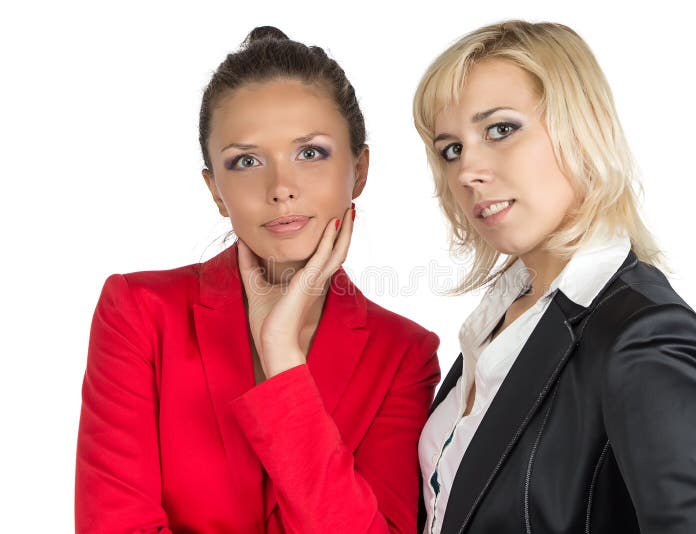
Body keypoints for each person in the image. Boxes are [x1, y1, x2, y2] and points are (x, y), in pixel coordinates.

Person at [75, 26, 440, 533]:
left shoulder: (404, 354)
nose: (280, 188)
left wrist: (283, 360)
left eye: (310, 152)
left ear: (359, 170)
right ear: (216, 191)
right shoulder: (138, 313)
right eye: (246, 161)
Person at [412, 20, 696, 534]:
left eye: (500, 129)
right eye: (452, 149)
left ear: (582, 127)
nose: (468, 170)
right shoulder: (504, 316)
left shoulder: (644, 337)